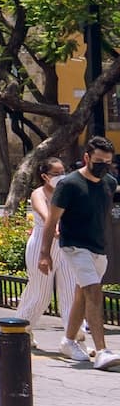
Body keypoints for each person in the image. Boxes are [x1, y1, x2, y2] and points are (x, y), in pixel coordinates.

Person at [39, 136, 119, 369]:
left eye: (107, 162)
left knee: (82, 295)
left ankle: (69, 340)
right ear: (86, 158)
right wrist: (45, 253)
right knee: (94, 291)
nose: (103, 165)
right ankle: (102, 350)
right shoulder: (69, 184)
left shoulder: (109, 183)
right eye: (98, 161)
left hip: (98, 246)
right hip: (74, 246)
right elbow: (52, 220)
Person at [13, 157, 70, 339]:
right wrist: (54, 227)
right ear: (45, 176)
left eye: (63, 173)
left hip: (65, 246)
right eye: (56, 174)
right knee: (40, 295)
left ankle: (75, 337)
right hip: (41, 245)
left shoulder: (68, 191)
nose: (61, 177)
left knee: (71, 292)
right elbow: (46, 216)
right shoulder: (39, 194)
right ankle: (19, 329)